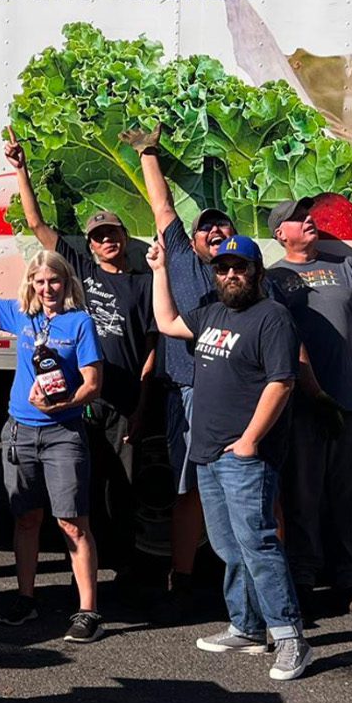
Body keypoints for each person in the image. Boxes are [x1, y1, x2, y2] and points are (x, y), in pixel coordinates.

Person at [148, 235, 312, 681]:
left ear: (256, 272)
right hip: (207, 453)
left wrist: (249, 441)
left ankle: (291, 637)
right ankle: (246, 626)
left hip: (244, 456)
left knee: (258, 542)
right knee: (227, 547)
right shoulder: (211, 313)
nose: (231, 275)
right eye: (223, 268)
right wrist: (160, 270)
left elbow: (282, 382)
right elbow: (165, 323)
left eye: (239, 267)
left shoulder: (273, 318)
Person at [5, 130, 154, 586]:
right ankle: (84, 574)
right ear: (88, 246)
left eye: (113, 235)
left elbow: (151, 351)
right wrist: (21, 170)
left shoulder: (145, 283)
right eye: (99, 236)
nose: (107, 241)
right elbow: (36, 225)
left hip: (123, 401)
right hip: (79, 401)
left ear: (125, 239)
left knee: (123, 491)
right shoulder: (81, 272)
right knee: (80, 493)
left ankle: (128, 571)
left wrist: (142, 409)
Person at [0, 219, 106, 644]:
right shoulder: (20, 315)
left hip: (63, 433)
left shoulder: (80, 323)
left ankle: (87, 610)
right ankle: (26, 598)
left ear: (66, 284)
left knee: (72, 524)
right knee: (26, 518)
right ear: (31, 284)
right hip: (20, 432)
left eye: (54, 281)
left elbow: (92, 383)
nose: (47, 288)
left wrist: (63, 403)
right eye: (40, 281)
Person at [124, 125, 236, 611]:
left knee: (247, 483)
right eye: (206, 229)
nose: (214, 232)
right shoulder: (184, 262)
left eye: (223, 227)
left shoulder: (245, 273)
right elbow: (163, 208)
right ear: (191, 242)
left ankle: (248, 574)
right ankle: (184, 576)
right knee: (187, 486)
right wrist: (149, 152)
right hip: (187, 390)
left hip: (237, 395)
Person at [264, 198, 352, 620]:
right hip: (304, 408)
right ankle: (305, 579)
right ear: (281, 234)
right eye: (297, 218)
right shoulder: (274, 278)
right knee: (303, 496)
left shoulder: (345, 267)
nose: (308, 220)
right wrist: (315, 393)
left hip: (350, 403)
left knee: (351, 497)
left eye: (308, 215)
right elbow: (284, 340)